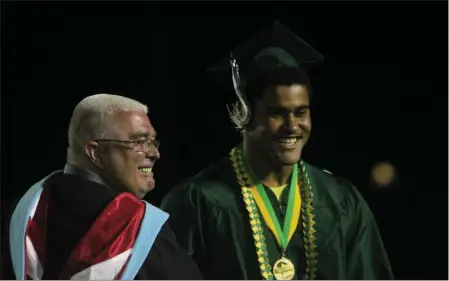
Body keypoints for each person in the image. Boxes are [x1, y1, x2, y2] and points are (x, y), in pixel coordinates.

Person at [161, 21, 394, 280]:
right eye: (277, 113)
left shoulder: (340, 200)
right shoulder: (199, 203)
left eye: (301, 112)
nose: (293, 126)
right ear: (246, 114)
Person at [8, 94, 203, 280]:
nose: (154, 153)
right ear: (95, 153)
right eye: (139, 141)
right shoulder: (138, 231)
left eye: (153, 142)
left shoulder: (19, 214)